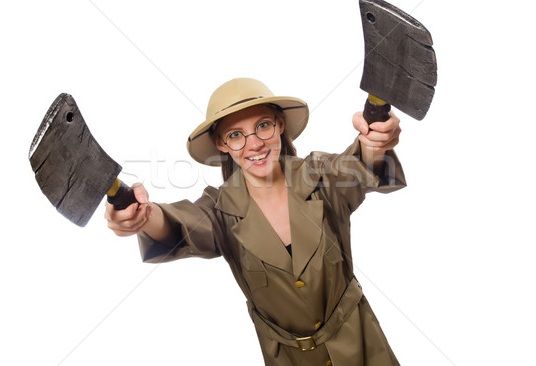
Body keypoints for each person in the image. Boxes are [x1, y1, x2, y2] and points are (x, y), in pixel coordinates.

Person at [105, 78, 405, 365]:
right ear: (221, 144)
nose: (255, 144)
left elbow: (361, 163)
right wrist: (141, 215)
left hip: (363, 347)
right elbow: (177, 225)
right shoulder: (220, 209)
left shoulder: (320, 174)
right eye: (236, 135)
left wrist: (376, 139)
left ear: (280, 125)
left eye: (263, 126)